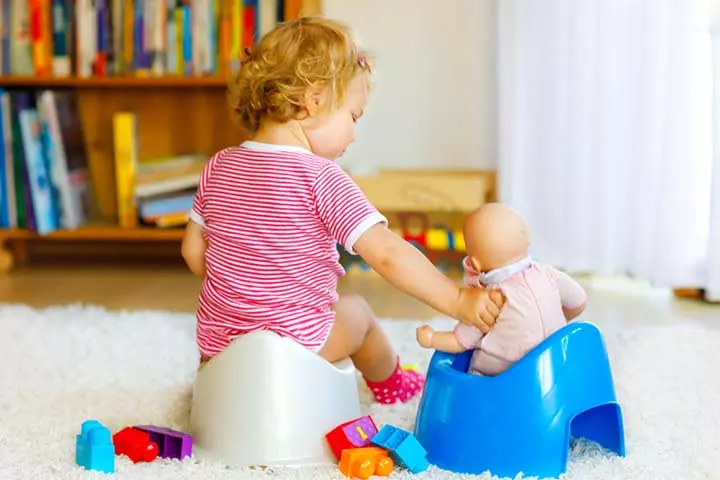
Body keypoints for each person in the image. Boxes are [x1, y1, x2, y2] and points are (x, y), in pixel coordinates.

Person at [181, 17, 505, 404]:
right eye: (353, 116)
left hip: (220, 352)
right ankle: (391, 385)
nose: (353, 134)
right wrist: (456, 300)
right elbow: (386, 254)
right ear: (313, 100)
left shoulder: (218, 166)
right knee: (357, 312)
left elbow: (194, 254)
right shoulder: (321, 176)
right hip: (297, 350)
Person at [416, 203, 587, 376]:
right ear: (527, 239)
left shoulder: (489, 299)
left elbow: (461, 342)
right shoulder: (549, 274)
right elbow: (579, 302)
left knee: (473, 377)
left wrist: (431, 338)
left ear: (474, 264)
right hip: (553, 367)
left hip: (503, 379)